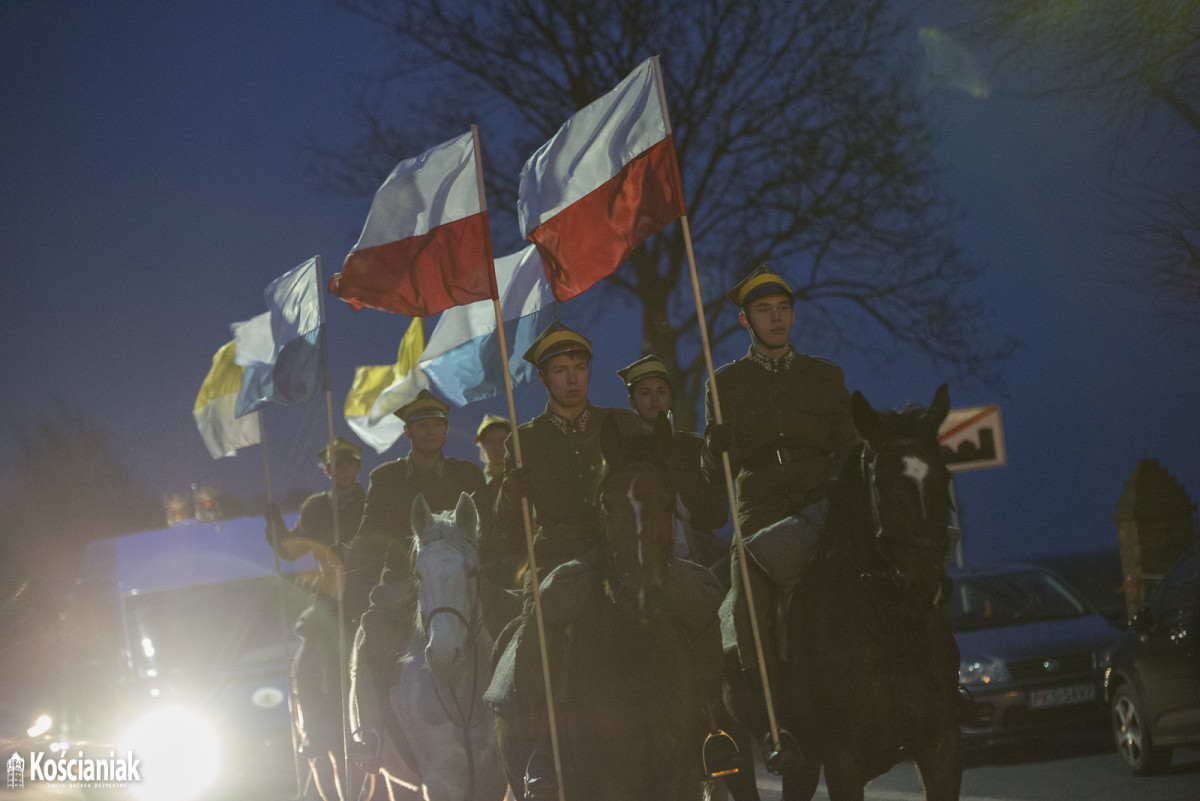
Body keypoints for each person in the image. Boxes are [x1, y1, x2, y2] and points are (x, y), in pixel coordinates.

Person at [494, 323, 735, 790]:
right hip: (563, 557)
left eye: (580, 368)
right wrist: (508, 496)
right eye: (560, 370)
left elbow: (659, 482)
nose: (572, 379)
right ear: (543, 378)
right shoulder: (524, 441)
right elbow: (501, 541)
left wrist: (706, 464)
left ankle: (712, 727)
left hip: (631, 552)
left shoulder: (621, 425)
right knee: (540, 627)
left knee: (701, 602)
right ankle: (542, 750)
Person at [702, 263, 860, 767]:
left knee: (886, 562)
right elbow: (714, 475)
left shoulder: (826, 375)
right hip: (762, 510)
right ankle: (774, 721)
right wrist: (714, 449)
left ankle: (924, 682)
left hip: (821, 502)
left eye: (783, 310)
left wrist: (841, 488)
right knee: (749, 592)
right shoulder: (723, 383)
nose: (775, 319)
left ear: (793, 316)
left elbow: (850, 448)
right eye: (764, 311)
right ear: (746, 321)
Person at [344, 389, 489, 770]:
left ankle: (530, 728)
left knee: (515, 626)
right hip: (404, 583)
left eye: (438, 423)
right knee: (369, 639)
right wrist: (346, 553)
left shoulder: (468, 474)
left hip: (462, 580)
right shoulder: (386, 477)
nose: (431, 431)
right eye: (422, 425)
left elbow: (490, 532)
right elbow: (371, 532)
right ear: (407, 432)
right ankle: (371, 736)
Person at [264, 436, 366, 801]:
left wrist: (353, 552)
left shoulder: (371, 502)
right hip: (331, 596)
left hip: (368, 593)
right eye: (336, 465)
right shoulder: (316, 507)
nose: (344, 470)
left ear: (358, 467)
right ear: (327, 470)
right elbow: (292, 551)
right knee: (309, 653)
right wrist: (276, 530)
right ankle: (314, 730)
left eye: (350, 464)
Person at [616, 355, 729, 569]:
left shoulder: (694, 447)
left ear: (670, 397)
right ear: (632, 401)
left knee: (740, 569)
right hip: (643, 552)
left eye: (661, 392)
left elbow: (719, 515)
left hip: (700, 549)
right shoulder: (624, 453)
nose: (655, 399)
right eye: (645, 393)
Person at [475, 414, 524, 588]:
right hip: (487, 573)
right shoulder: (474, 489)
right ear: (482, 448)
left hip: (525, 566)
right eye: (490, 442)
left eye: (503, 440)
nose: (498, 448)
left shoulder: (527, 481)